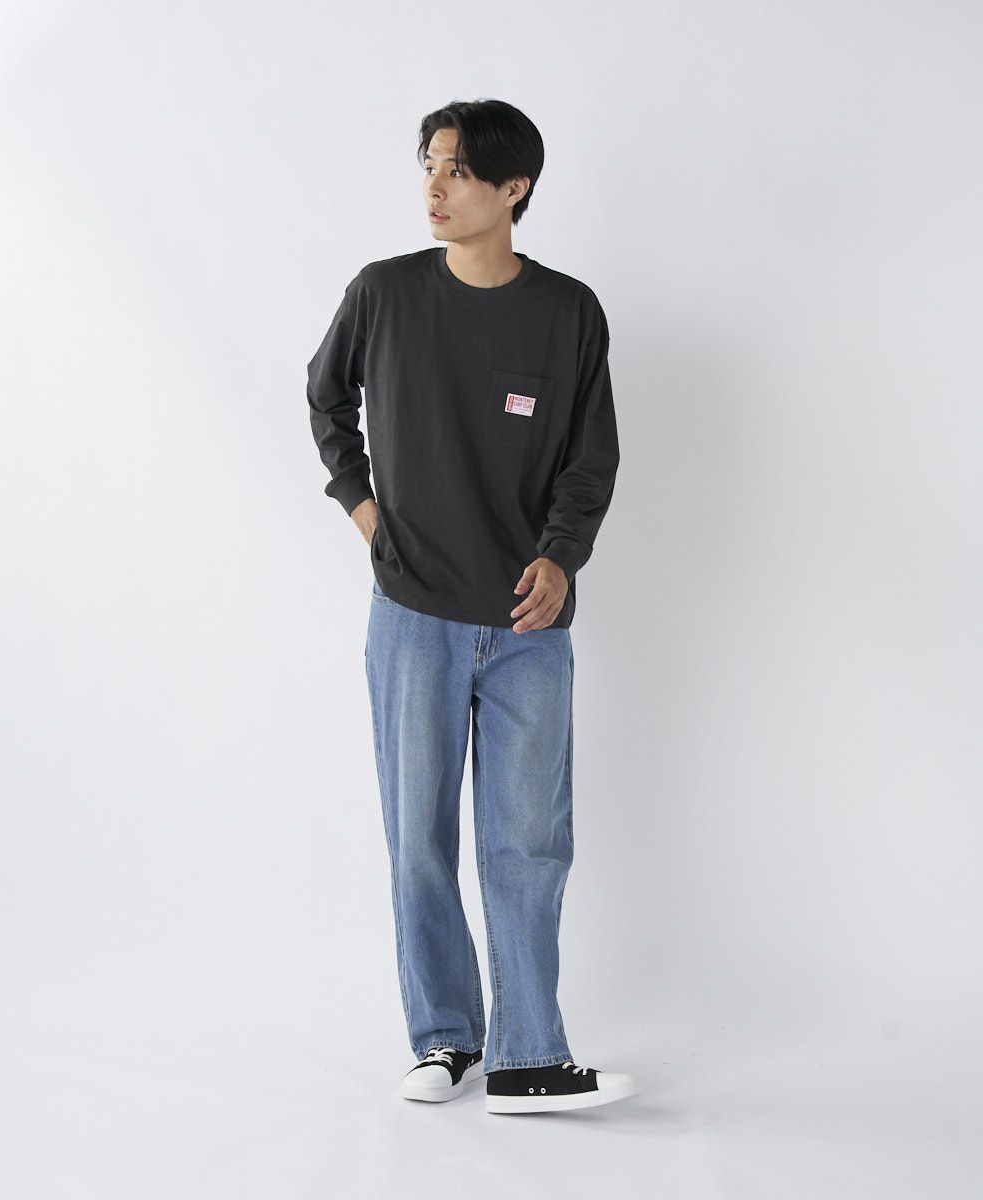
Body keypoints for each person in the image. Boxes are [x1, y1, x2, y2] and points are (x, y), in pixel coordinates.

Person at [306, 98, 639, 1114]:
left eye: (456, 170)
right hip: (413, 615)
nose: (435, 188)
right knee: (418, 837)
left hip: (529, 628)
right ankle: (444, 1038)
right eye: (429, 166)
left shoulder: (568, 311)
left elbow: (590, 455)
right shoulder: (384, 293)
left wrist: (563, 558)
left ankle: (529, 1056)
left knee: (528, 844)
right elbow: (326, 399)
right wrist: (366, 512)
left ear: (513, 187)